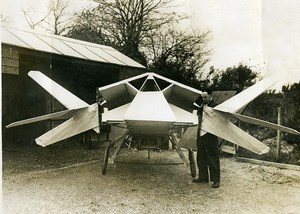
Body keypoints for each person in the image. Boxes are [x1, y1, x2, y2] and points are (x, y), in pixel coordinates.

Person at [192, 88, 220, 188]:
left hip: (211, 134)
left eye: (205, 97)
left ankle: (215, 180)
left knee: (212, 157)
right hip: (201, 133)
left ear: (210, 95)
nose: (203, 98)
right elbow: (194, 106)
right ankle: (203, 177)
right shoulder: (201, 105)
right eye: (202, 97)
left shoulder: (216, 106)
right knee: (201, 156)